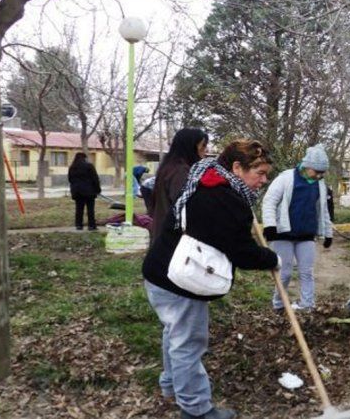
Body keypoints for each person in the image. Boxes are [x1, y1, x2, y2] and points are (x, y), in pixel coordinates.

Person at [142, 139, 279, 419]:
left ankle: (171, 385)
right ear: (237, 167)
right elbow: (241, 251)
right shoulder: (223, 197)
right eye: (260, 173)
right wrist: (270, 259)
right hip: (179, 280)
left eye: (266, 174)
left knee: (174, 334)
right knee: (188, 342)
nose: (264, 180)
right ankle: (196, 409)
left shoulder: (206, 178)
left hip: (160, 271)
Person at [262, 144, 333, 312]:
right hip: (283, 233)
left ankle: (307, 305)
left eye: (322, 173)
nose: (319, 175)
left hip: (306, 234)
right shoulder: (286, 178)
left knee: (306, 272)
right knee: (284, 273)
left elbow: (323, 210)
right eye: (317, 171)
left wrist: (328, 233)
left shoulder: (319, 184)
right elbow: (269, 201)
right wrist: (270, 226)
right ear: (307, 166)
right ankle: (279, 304)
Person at [150, 128, 209, 243]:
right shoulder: (180, 172)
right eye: (203, 146)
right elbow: (185, 206)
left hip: (165, 234)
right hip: (174, 239)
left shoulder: (170, 167)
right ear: (190, 146)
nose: (205, 151)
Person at [67, 152, 101, 231]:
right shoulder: (89, 166)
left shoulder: (72, 167)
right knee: (90, 209)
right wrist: (98, 189)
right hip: (89, 192)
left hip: (77, 192)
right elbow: (95, 179)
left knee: (79, 209)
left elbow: (70, 179)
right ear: (84, 158)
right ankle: (91, 225)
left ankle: (79, 225)